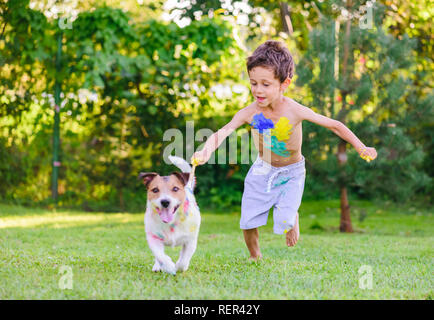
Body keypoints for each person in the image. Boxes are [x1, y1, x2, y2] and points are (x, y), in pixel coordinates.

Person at [191, 40, 377, 261]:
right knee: (248, 218)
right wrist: (205, 151)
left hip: (292, 172)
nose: (258, 90)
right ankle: (255, 256)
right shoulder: (249, 113)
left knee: (285, 218)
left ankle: (291, 215)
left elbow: (335, 125)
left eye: (266, 84)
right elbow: (222, 132)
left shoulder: (294, 110)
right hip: (263, 168)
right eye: (253, 83)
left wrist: (360, 146)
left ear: (284, 83)